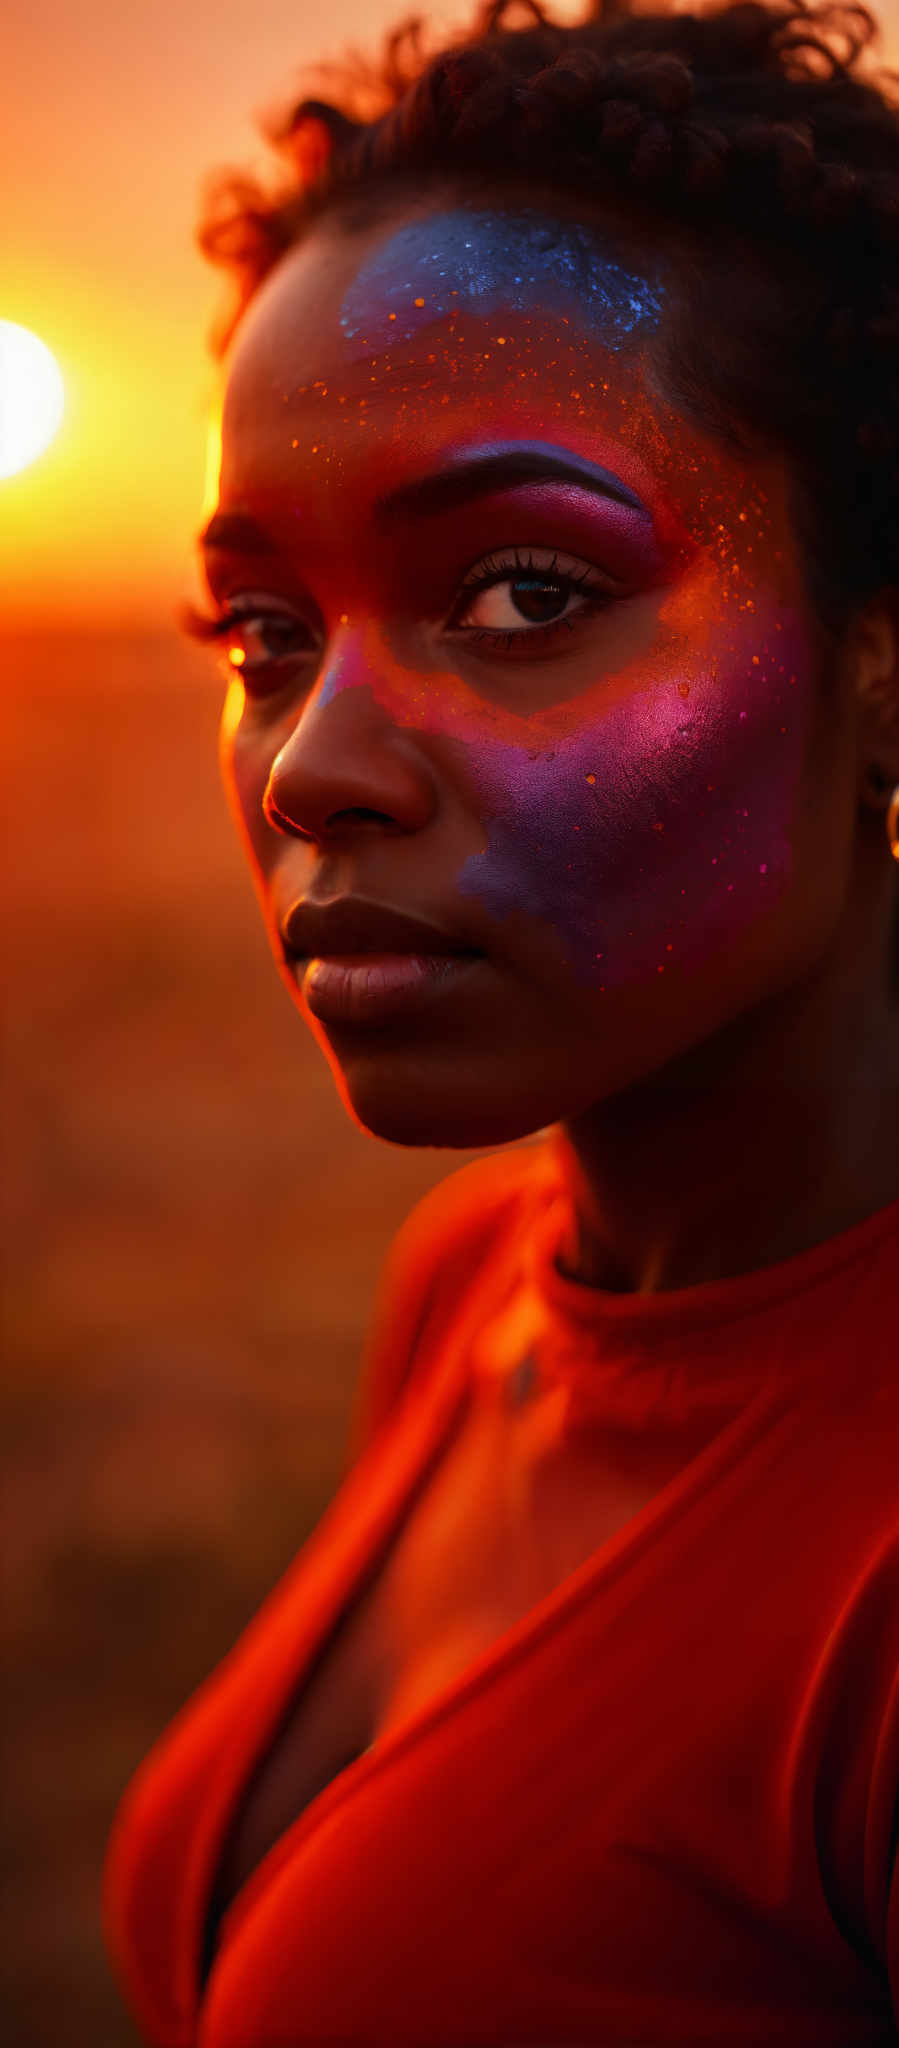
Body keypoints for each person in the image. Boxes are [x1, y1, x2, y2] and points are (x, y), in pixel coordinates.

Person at [102, 1, 899, 2041]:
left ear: (879, 661)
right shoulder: (476, 1285)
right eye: (267, 635)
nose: (309, 769)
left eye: (523, 593)